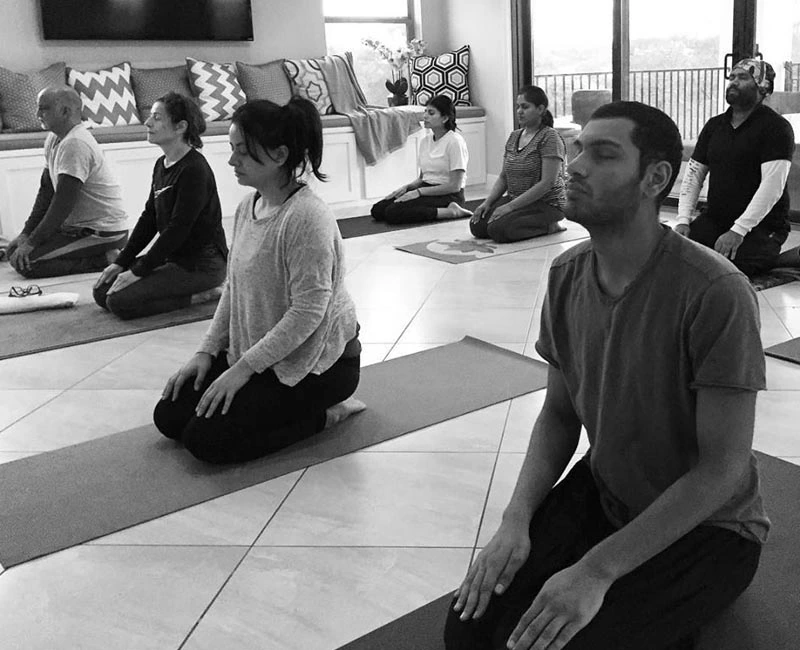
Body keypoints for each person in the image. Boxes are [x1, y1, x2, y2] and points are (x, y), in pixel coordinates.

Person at [445, 102, 767, 650]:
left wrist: (597, 570)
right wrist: (515, 519)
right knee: (469, 633)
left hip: (711, 529)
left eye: (603, 153)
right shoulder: (567, 274)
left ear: (656, 178)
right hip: (608, 493)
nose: (576, 165)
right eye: (577, 149)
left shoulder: (715, 292)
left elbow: (723, 468)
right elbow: (558, 414)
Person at [153, 97, 364, 465]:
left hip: (319, 367)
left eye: (243, 153)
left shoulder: (307, 217)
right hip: (258, 353)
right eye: (232, 150)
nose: (233, 161)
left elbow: (308, 311)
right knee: (169, 416)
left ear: (280, 156)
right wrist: (206, 352)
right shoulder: (247, 208)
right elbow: (233, 288)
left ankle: (325, 415)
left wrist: (242, 370)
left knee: (206, 442)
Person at [92, 92, 228, 320]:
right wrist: (121, 263)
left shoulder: (194, 169)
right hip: (173, 258)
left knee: (119, 301)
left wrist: (138, 271)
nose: (147, 122)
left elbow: (179, 228)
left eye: (156, 117)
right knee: (102, 291)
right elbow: (149, 219)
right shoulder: (161, 165)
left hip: (201, 265)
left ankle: (203, 295)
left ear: (180, 127)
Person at [676, 58, 794, 276]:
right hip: (716, 218)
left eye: (742, 77)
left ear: (763, 87)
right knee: (681, 256)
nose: (733, 82)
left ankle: (784, 258)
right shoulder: (714, 125)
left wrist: (738, 231)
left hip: (762, 226)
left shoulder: (776, 128)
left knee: (731, 269)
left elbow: (772, 187)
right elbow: (694, 173)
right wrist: (683, 220)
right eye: (731, 77)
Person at [5, 86, 129, 278]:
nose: (38, 114)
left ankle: (106, 258)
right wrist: (25, 234)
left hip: (103, 232)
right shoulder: (54, 138)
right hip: (76, 230)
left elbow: (62, 204)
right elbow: (46, 192)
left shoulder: (75, 143)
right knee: (14, 253)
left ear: (65, 112)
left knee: (28, 262)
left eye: (44, 108)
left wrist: (31, 243)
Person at [470, 86, 567, 242]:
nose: (519, 111)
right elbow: (503, 177)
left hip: (546, 204)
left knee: (498, 229)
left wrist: (509, 207)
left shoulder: (550, 137)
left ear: (540, 109)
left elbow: (547, 183)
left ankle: (550, 226)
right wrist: (487, 203)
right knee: (477, 225)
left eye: (525, 107)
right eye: (518, 107)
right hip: (517, 200)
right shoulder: (514, 136)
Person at [370, 94, 473, 224]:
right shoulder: (426, 141)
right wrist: (407, 188)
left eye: (431, 113)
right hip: (426, 188)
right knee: (378, 210)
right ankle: (431, 207)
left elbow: (455, 186)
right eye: (425, 111)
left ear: (445, 118)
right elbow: (422, 178)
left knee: (393, 212)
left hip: (448, 194)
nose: (425, 116)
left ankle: (452, 211)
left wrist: (419, 192)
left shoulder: (454, 142)